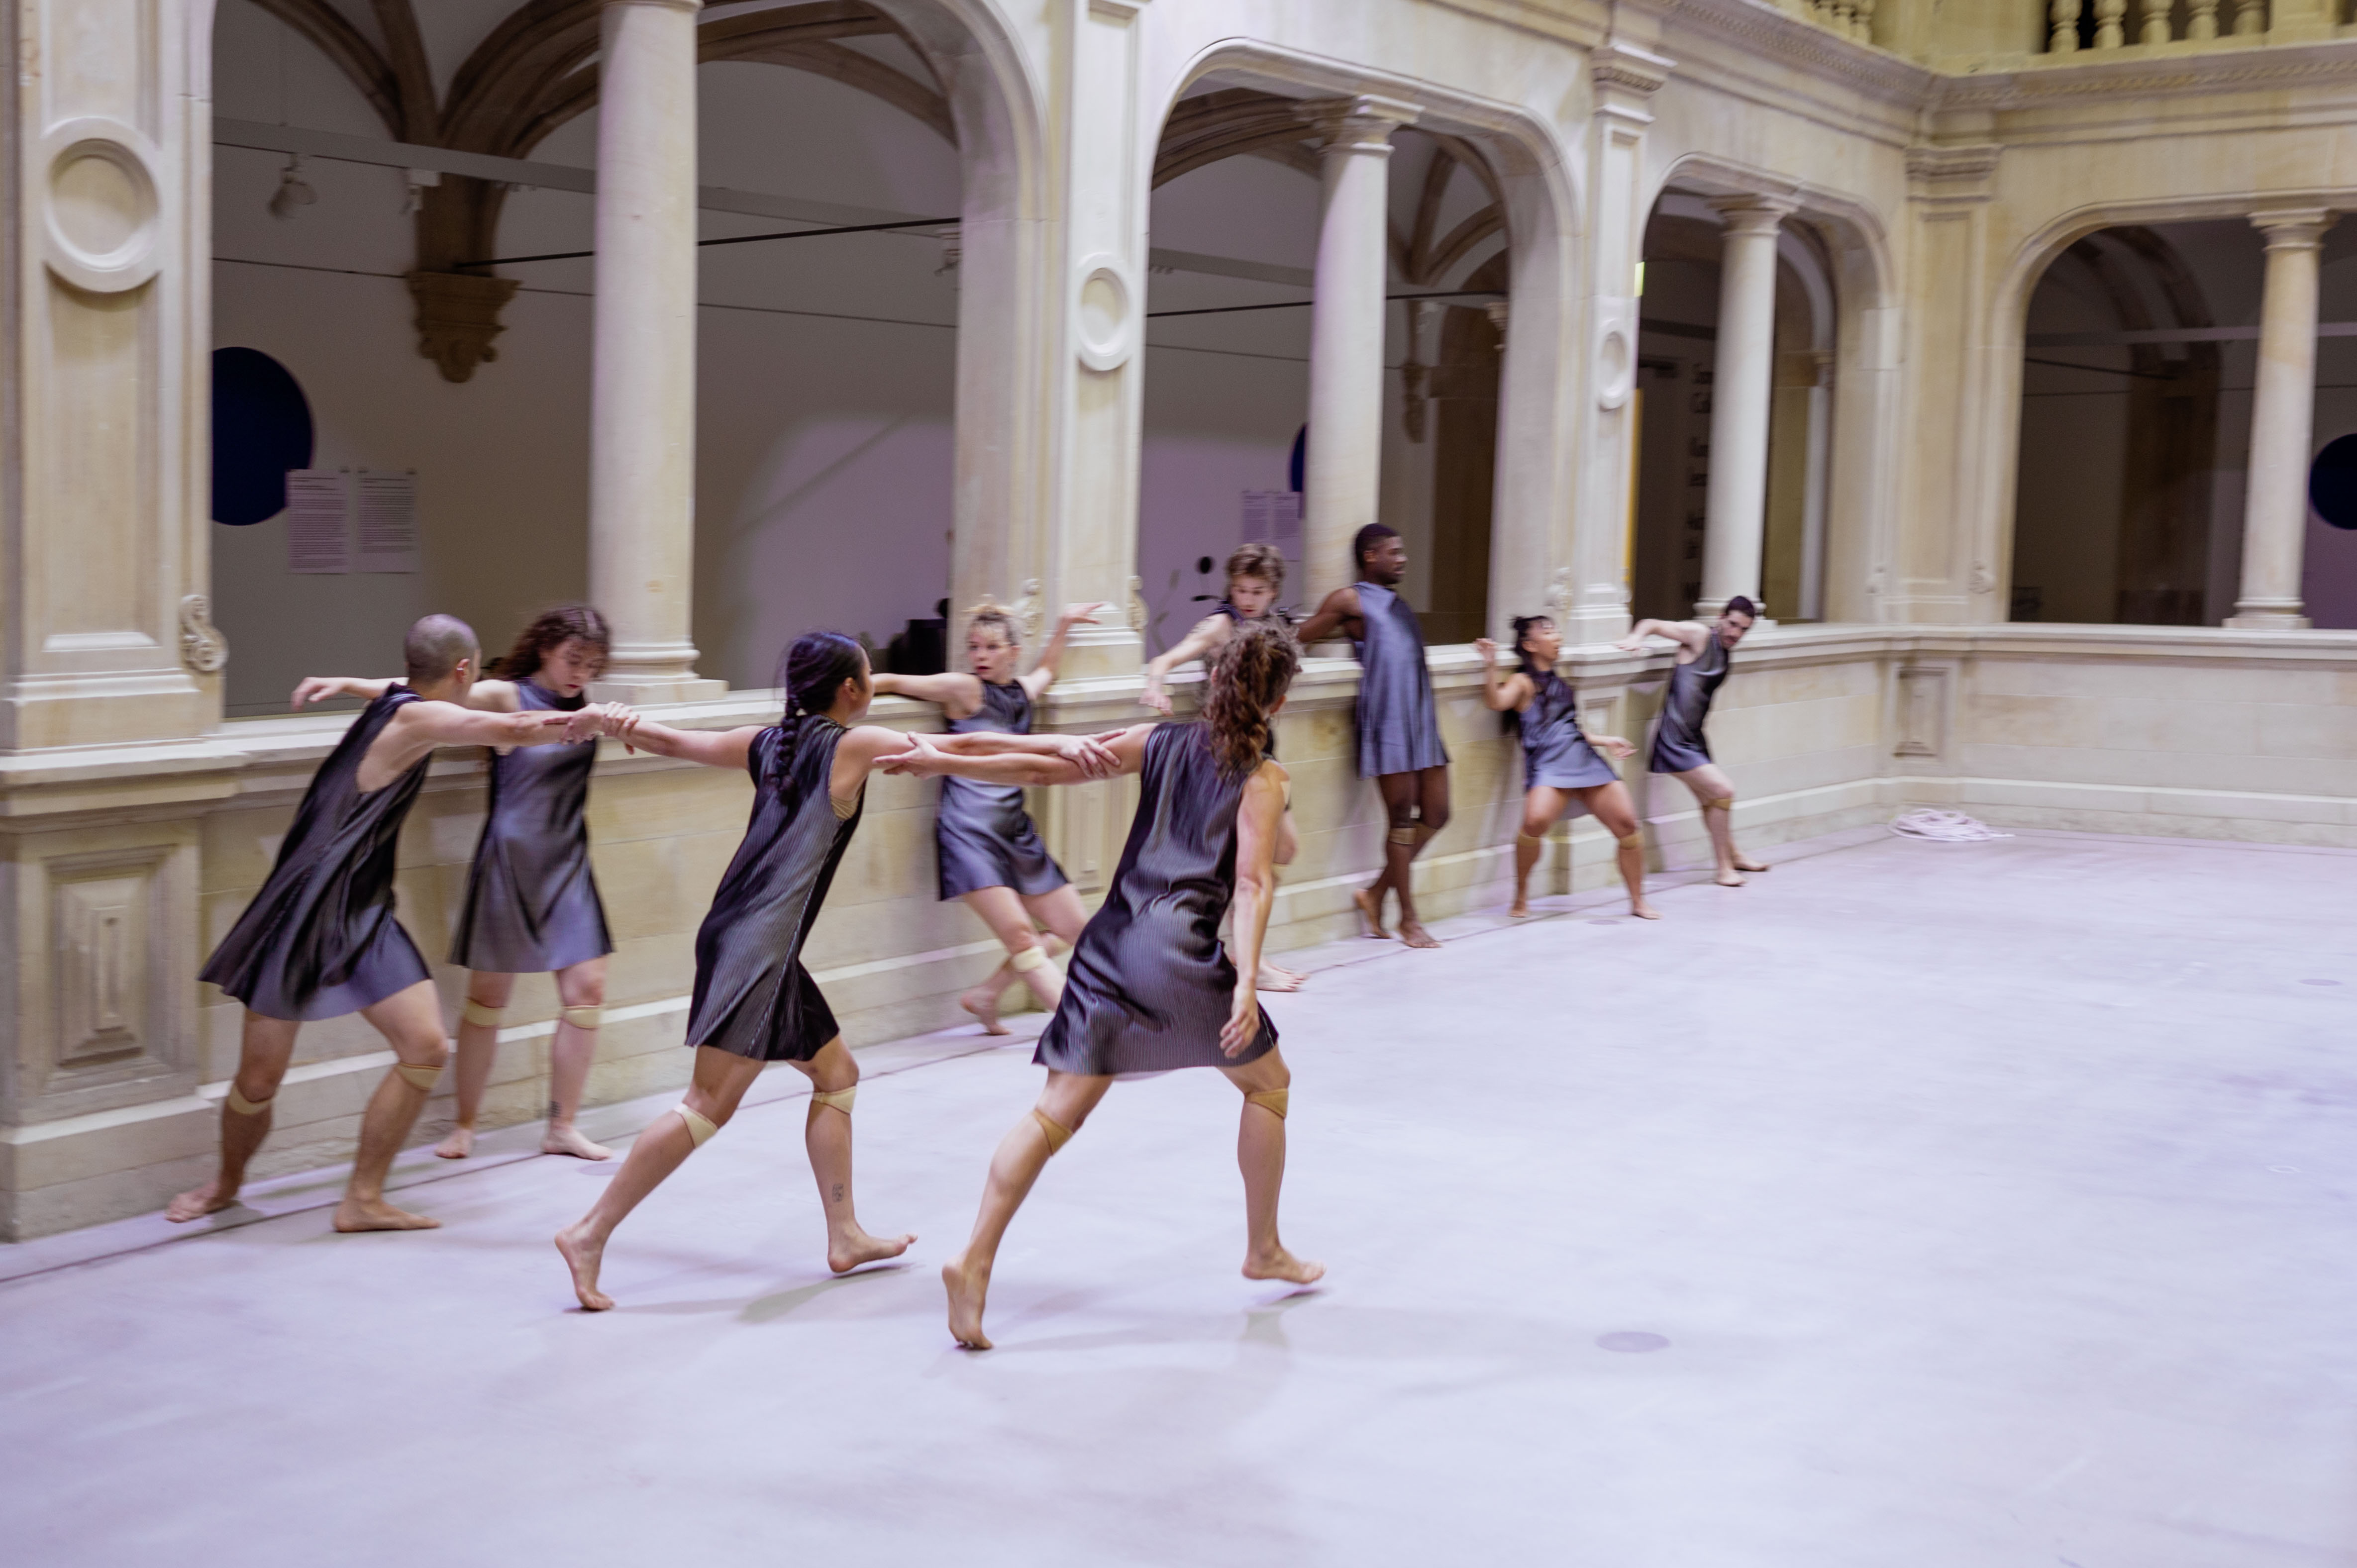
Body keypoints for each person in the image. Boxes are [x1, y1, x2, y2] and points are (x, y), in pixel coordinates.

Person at [551, 632, 1117, 1312]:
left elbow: (676, 741)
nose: (874, 681)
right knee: (707, 1104)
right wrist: (1068, 747)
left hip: (748, 940)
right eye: (869, 673)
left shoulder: (770, 744)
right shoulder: (852, 744)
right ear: (852, 689)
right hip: (755, 950)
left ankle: (844, 1235)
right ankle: (589, 1231)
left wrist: (612, 720)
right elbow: (969, 747)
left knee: (837, 1074)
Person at [885, 621, 1324, 1352]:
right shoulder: (1265, 779)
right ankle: (1265, 1247)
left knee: (1053, 1113)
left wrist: (942, 758)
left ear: (1215, 681)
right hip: (1178, 952)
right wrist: (1247, 981)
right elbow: (1252, 883)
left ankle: (974, 1258)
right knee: (1268, 1086)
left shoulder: (1159, 741)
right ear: (1277, 703)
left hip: (1108, 942)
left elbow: (1049, 764)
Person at [170, 616, 594, 1231]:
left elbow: (400, 688)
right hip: (304, 906)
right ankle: (225, 1184)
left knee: (426, 1048)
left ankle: (362, 1199)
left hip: (362, 909)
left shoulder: (401, 699)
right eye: (476, 669)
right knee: (259, 1078)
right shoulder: (420, 716)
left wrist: (346, 681)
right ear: (463, 670)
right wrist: (602, 719)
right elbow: (514, 727)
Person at [294, 605, 620, 1163]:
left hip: (569, 863)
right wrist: (347, 683)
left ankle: (563, 1126)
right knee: (488, 998)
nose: (581, 674)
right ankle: (465, 1124)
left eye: (592, 665)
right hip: (510, 863)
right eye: (573, 660)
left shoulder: (587, 706)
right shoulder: (506, 694)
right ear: (546, 648)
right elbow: (419, 693)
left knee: (587, 994)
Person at [870, 600, 1105, 1034]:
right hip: (968, 832)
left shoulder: (1021, 691)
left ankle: (987, 994)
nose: (980, 656)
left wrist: (1064, 623)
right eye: (974, 647)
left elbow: (1047, 669)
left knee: (1077, 929)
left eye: (992, 648)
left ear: (1013, 652)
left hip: (1014, 829)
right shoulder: (964, 688)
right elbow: (893, 681)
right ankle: (1084, 1035)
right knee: (1021, 937)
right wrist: (845, 688)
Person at [1140, 542, 1306, 991]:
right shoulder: (1220, 625)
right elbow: (1164, 659)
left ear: (1273, 591)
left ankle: (1241, 952)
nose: (1247, 599)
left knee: (1283, 849)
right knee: (1249, 859)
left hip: (1262, 749)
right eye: (1240, 589)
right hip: (1226, 753)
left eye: (1257, 591)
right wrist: (1155, 686)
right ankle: (1244, 959)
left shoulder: (1275, 628)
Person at [1295, 523, 1451, 948]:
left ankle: (1376, 892)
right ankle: (1408, 920)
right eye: (1394, 552)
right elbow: (1298, 637)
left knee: (1437, 813)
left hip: (1421, 720)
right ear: (1370, 556)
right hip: (1388, 722)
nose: (1402, 559)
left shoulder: (1396, 603)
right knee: (1400, 821)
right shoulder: (1349, 599)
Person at [1475, 615, 1656, 921]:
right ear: (1530, 645)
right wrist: (1490, 665)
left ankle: (1638, 901)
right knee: (1534, 823)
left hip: (1584, 759)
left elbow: (1570, 729)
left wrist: (1606, 740)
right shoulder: (1523, 682)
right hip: (1549, 766)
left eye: (1556, 631)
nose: (1557, 637)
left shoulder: (1562, 683)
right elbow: (1496, 702)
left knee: (1628, 825)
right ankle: (1521, 894)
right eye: (1548, 632)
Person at [1617, 596, 1768, 886]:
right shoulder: (1700, 635)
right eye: (1733, 624)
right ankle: (1724, 869)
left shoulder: (1725, 649)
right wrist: (1635, 638)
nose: (1736, 633)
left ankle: (1734, 857)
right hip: (1674, 740)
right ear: (1721, 617)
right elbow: (1651, 623)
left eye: (1743, 629)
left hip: (1694, 738)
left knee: (1711, 799)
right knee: (1723, 791)